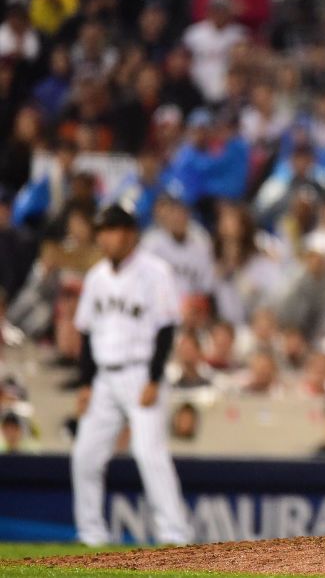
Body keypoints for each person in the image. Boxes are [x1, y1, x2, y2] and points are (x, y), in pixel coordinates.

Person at [70, 205, 191, 546]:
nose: (105, 236)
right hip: (104, 379)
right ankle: (91, 533)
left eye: (112, 229)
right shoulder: (96, 277)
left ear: (129, 233)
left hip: (141, 374)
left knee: (149, 453)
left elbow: (166, 328)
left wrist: (154, 378)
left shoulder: (155, 271)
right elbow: (86, 334)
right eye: (103, 230)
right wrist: (84, 384)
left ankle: (174, 534)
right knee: (85, 454)